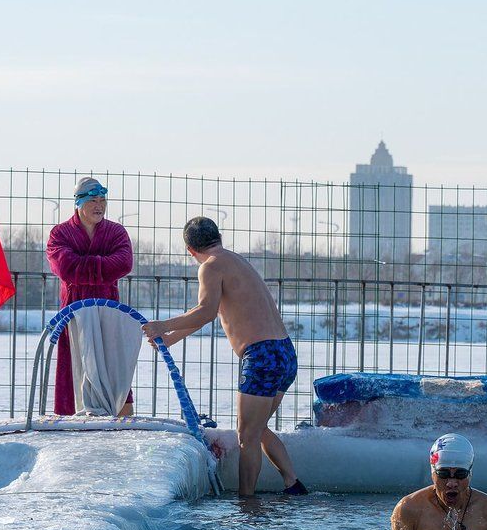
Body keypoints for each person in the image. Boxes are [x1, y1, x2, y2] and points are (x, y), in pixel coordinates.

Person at [141, 217, 306, 496]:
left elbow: (205, 311)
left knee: (247, 436)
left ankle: (247, 504)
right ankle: (293, 484)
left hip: (262, 356)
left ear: (189, 249)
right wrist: (170, 339)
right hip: (284, 353)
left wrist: (163, 325)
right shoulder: (236, 261)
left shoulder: (210, 266)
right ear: (219, 238)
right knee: (257, 428)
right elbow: (211, 314)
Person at [46, 177, 135, 416]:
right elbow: (63, 267)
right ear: (78, 203)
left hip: (109, 312)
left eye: (103, 200)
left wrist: (82, 267)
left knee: (114, 368)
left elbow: (124, 263)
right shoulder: (60, 233)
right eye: (93, 200)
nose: (100, 205)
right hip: (73, 315)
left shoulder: (116, 232)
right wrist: (102, 268)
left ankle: (123, 422)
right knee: (73, 368)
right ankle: (68, 424)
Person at [389, 434, 487, 530]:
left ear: (470, 474)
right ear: (433, 473)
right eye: (443, 474)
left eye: (460, 474)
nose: (451, 483)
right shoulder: (409, 509)